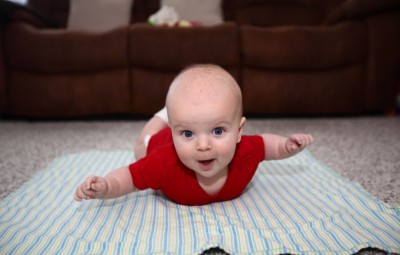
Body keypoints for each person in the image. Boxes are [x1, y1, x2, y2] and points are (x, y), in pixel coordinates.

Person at [74, 64, 313, 205]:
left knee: (189, 123)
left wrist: (286, 146)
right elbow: (128, 178)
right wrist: (105, 186)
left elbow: (267, 146)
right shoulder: (163, 162)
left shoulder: (244, 152)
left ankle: (177, 119)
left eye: (218, 131)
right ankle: (164, 116)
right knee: (140, 146)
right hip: (158, 144)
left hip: (179, 136)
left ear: (239, 131)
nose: (203, 145)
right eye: (188, 133)